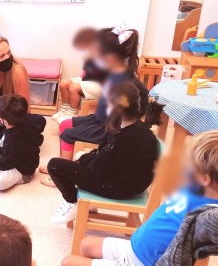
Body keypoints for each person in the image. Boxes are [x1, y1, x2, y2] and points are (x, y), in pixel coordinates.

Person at [55, 131, 218, 266]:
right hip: (135, 256)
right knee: (86, 244)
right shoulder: (197, 189)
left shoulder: (209, 215)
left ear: (205, 178)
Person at [47, 79, 163, 224]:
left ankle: (71, 202)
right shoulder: (135, 128)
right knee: (80, 158)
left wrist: (83, 160)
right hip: (127, 181)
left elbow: (100, 170)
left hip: (118, 188)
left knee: (55, 165)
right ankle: (82, 201)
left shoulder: (126, 136)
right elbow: (106, 155)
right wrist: (86, 158)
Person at [40, 26, 139, 172]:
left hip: (109, 127)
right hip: (99, 118)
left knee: (67, 135)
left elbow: (123, 113)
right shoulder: (112, 71)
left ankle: (63, 172)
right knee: (65, 124)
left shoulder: (122, 79)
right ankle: (63, 161)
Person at [51, 27, 108, 122]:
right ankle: (65, 110)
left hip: (101, 84)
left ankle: (71, 113)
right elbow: (86, 70)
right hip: (88, 79)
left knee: (74, 88)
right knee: (64, 83)